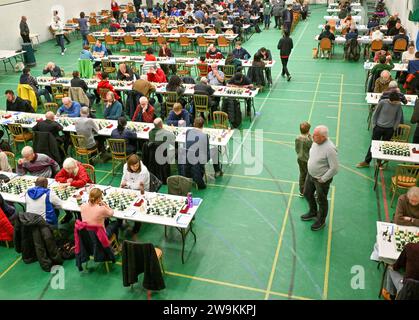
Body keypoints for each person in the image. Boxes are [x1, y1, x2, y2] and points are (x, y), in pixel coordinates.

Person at [300, 125, 338, 231]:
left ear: (323, 137)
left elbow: (334, 168)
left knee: (321, 200)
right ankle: (313, 212)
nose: (312, 136)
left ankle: (321, 220)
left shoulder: (330, 149)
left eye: (316, 135)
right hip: (311, 175)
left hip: (321, 180)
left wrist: (323, 179)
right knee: (307, 193)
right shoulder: (316, 142)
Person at [357, 92, 402, 168]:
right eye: (395, 101)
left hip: (389, 129)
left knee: (384, 147)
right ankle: (367, 161)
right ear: (391, 100)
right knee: (373, 145)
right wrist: (374, 125)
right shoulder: (382, 102)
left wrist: (394, 127)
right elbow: (375, 113)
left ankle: (379, 163)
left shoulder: (398, 105)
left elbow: (398, 116)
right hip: (378, 127)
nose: (397, 102)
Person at [182, 117, 223, 188]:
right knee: (215, 150)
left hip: (188, 157)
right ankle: (217, 171)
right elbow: (206, 150)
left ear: (194, 124)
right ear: (203, 125)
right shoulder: (204, 136)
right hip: (199, 159)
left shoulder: (188, 131)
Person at [295, 121, 312, 197]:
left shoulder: (297, 138)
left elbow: (296, 148)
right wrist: (310, 137)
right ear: (308, 131)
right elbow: (311, 147)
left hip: (300, 158)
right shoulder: (308, 140)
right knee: (309, 176)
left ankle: (302, 191)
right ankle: (309, 192)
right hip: (307, 160)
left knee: (302, 175)